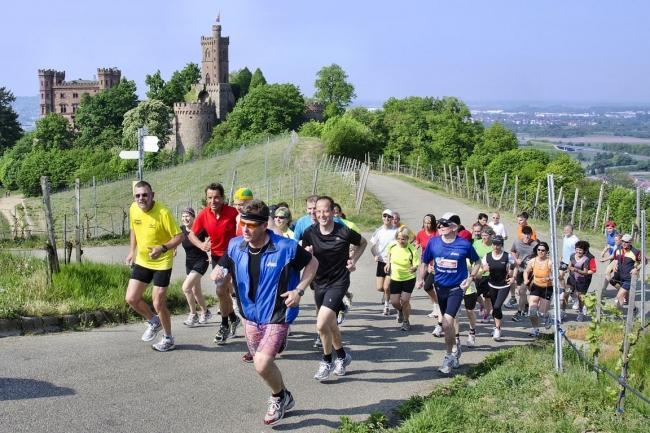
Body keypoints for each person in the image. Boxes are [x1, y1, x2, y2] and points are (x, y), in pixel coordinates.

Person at [210, 200, 319, 425]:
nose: (245, 229)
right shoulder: (235, 245)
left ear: (263, 226)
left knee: (261, 363)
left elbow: (313, 263)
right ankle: (285, 394)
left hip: (278, 313)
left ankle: (278, 397)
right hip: (249, 315)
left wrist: (299, 290)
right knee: (262, 359)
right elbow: (224, 265)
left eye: (251, 225)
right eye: (243, 223)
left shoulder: (285, 248)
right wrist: (219, 273)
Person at [302, 196, 367, 381]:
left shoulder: (344, 231)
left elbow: (362, 243)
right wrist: (307, 255)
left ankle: (326, 360)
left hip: (339, 282)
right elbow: (304, 254)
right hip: (319, 282)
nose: (322, 214)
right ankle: (342, 356)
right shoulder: (309, 232)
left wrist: (353, 260)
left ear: (332, 212)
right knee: (331, 324)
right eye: (318, 211)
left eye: (325, 210)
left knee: (321, 323)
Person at [418, 212, 481, 374]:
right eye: (439, 224)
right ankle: (456, 346)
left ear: (453, 227)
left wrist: (471, 278)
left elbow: (477, 262)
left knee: (446, 323)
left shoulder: (464, 245)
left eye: (444, 224)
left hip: (456, 288)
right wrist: (421, 278)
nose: (440, 227)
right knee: (449, 324)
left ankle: (448, 357)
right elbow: (424, 262)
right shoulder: (434, 243)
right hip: (440, 288)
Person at [124, 181, 183, 352]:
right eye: (137, 195)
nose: (141, 198)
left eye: (145, 195)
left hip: (162, 261)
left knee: (158, 302)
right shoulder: (133, 208)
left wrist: (162, 248)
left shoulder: (163, 212)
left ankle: (168, 338)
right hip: (143, 260)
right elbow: (134, 230)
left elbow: (179, 237)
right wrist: (131, 251)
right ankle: (154, 321)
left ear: (152, 195)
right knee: (131, 299)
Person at [188, 182, 240, 345]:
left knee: (221, 290)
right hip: (217, 258)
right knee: (221, 292)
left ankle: (225, 323)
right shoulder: (203, 214)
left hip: (234, 255)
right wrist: (201, 245)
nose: (213, 201)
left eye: (217, 197)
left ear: (223, 198)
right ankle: (231, 319)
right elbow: (191, 235)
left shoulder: (232, 212)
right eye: (210, 198)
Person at [179, 207, 212, 327]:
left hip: (201, 261)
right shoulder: (181, 229)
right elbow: (175, 238)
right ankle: (206, 312)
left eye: (188, 216)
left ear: (194, 217)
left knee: (186, 287)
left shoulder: (201, 229)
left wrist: (211, 252)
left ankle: (193, 315)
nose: (185, 218)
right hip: (189, 263)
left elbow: (212, 237)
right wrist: (172, 249)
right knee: (195, 291)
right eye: (183, 216)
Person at [481, 235, 516, 341]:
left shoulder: (507, 256)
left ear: (502, 245)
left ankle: (497, 328)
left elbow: (515, 266)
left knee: (496, 306)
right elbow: (481, 269)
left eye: (498, 244)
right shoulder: (487, 256)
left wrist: (513, 277)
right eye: (494, 244)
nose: (496, 246)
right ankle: (497, 327)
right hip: (492, 285)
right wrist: (484, 270)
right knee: (494, 309)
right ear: (492, 245)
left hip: (504, 285)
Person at [385, 226, 420, 331]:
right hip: (395, 277)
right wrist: (387, 264)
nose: (400, 241)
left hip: (408, 278)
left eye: (403, 239)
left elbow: (416, 264)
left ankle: (406, 321)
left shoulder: (412, 249)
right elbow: (389, 254)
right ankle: (400, 310)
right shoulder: (392, 246)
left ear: (407, 239)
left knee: (405, 300)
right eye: (399, 239)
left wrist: (414, 268)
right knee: (394, 302)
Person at [370, 209, 398, 315]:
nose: (386, 218)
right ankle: (387, 293)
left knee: (386, 287)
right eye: (384, 216)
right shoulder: (378, 231)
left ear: (392, 219)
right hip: (381, 262)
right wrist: (375, 255)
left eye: (389, 217)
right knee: (380, 287)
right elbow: (372, 246)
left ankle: (386, 306)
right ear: (382, 217)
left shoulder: (396, 231)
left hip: (391, 262)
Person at [523, 241, 553, 337]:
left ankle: (547, 317)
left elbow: (556, 275)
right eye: (539, 250)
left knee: (541, 313)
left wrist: (549, 278)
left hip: (547, 288)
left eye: (543, 250)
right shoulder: (533, 261)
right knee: (532, 312)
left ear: (547, 251)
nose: (540, 252)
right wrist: (526, 279)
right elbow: (526, 271)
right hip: (536, 286)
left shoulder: (550, 262)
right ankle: (535, 329)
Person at [415, 214, 441, 324]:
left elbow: (440, 249)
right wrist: (416, 245)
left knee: (429, 285)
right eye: (425, 222)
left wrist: (434, 264)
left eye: (429, 222)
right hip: (425, 263)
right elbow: (417, 242)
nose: (427, 225)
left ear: (433, 223)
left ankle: (439, 307)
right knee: (427, 287)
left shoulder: (437, 233)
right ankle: (436, 305)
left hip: (435, 264)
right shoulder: (420, 233)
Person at [508, 225, 539, 319]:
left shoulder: (535, 244)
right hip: (519, 269)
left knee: (522, 291)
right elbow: (512, 251)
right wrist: (516, 259)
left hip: (529, 272)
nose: (527, 236)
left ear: (531, 235)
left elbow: (542, 254)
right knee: (521, 292)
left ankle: (520, 312)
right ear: (522, 234)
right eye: (525, 234)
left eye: (529, 234)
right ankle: (526, 306)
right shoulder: (517, 242)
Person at [562, 240, 596, 321]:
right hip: (572, 279)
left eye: (580, 250)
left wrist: (576, 270)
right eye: (577, 249)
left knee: (580, 297)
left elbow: (589, 271)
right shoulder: (572, 255)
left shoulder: (588, 258)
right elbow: (570, 266)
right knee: (566, 294)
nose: (578, 251)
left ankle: (581, 312)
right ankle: (562, 311)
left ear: (585, 250)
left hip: (583, 280)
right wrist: (565, 270)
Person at [610, 234, 642, 311]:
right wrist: (615, 265)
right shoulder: (618, 249)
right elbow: (616, 258)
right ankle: (631, 309)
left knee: (618, 296)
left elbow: (644, 262)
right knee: (621, 294)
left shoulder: (636, 252)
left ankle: (617, 313)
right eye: (623, 241)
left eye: (626, 242)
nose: (624, 243)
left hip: (629, 278)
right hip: (620, 276)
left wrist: (636, 268)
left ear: (630, 242)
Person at [473, 226, 495, 324]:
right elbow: (471, 255)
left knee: (487, 296)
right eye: (482, 235)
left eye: (486, 236)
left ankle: (487, 315)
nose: (484, 237)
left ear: (491, 236)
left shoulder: (494, 246)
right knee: (474, 294)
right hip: (477, 273)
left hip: (489, 274)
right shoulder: (477, 243)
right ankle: (481, 305)